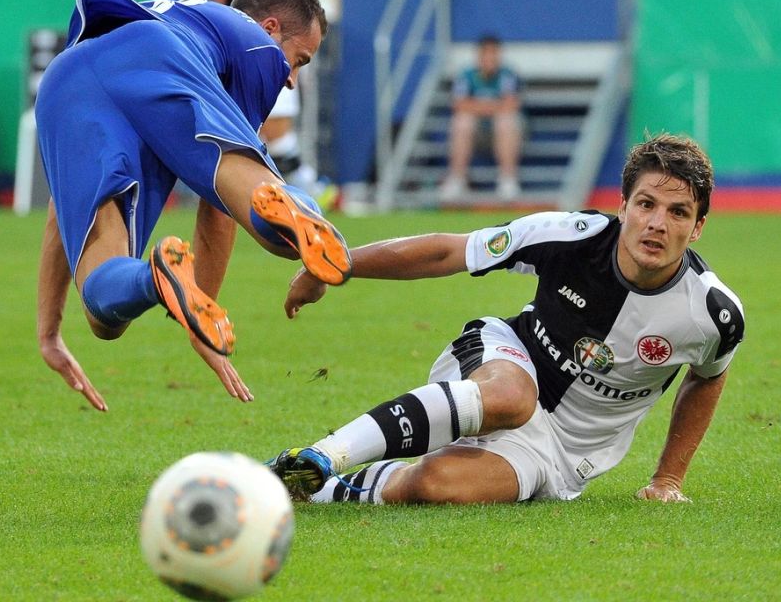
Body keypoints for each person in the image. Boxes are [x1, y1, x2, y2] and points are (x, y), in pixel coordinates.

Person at [270, 133, 744, 505]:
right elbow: (447, 252)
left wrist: (667, 478)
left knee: (437, 485)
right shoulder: (568, 236)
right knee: (512, 397)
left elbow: (708, 377)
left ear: (698, 226)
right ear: (623, 206)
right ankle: (324, 455)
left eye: (678, 212)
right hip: (504, 360)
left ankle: (311, 489)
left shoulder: (712, 315)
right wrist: (338, 264)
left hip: (560, 457)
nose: (658, 223)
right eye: (646, 204)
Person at [36, 0, 351, 412]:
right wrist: (203, 314)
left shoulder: (185, 13)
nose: (291, 79)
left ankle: (155, 277)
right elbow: (220, 205)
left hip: (66, 80)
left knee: (102, 313)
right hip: (160, 54)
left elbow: (61, 212)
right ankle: (302, 214)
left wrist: (48, 332)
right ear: (271, 27)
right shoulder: (252, 42)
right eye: (298, 60)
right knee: (267, 217)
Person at [199, 0, 335, 207]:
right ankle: (299, 192)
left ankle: (302, 191)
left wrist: (288, 1)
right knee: (245, 133)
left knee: (272, 129)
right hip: (235, 42)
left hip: (276, 39)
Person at [439, 35, 523, 204]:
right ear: (479, 56)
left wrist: (478, 106)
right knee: (462, 121)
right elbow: (458, 104)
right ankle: (457, 179)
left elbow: (512, 104)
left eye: (494, 54)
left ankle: (508, 180)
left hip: (504, 132)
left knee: (505, 121)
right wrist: (492, 106)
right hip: (477, 133)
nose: (490, 58)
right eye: (486, 54)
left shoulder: (507, 75)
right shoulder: (467, 75)